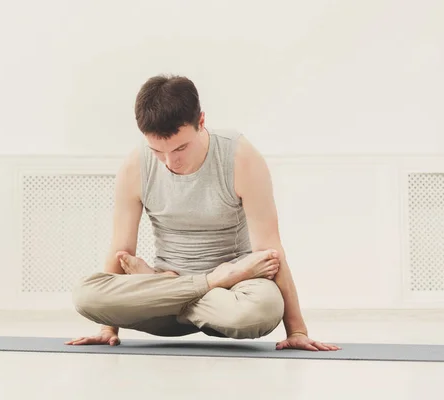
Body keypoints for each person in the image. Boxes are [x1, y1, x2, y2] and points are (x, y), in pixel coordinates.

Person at [66, 75, 340, 352]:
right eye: (158, 151)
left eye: (180, 148)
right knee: (86, 296)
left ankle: (175, 286)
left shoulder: (239, 156)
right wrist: (107, 327)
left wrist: (297, 330)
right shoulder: (135, 165)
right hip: (188, 290)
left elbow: (270, 249)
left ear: (201, 122)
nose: (170, 162)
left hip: (231, 294)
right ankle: (196, 283)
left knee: (262, 310)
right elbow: (121, 249)